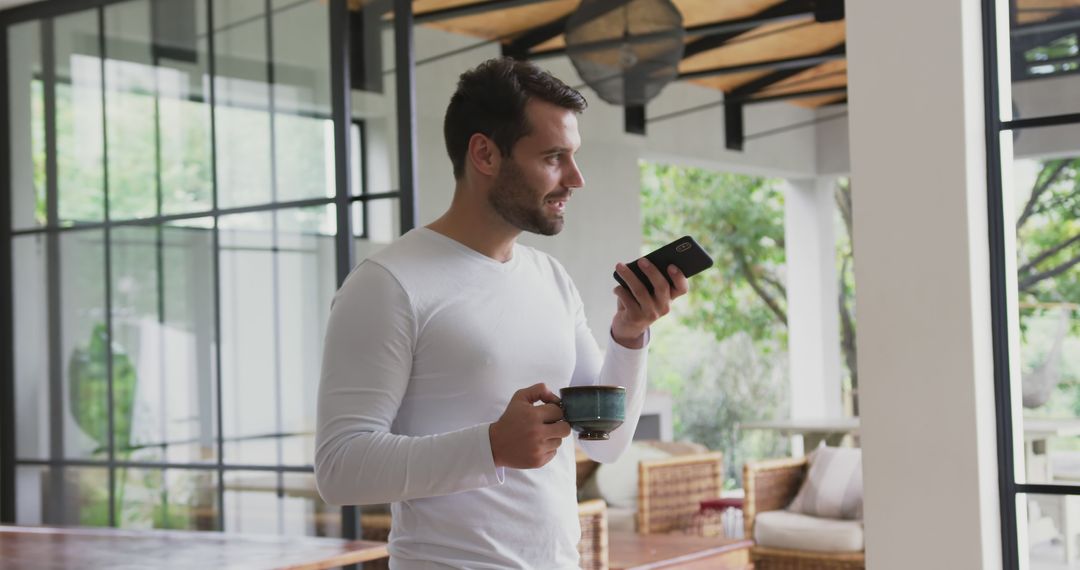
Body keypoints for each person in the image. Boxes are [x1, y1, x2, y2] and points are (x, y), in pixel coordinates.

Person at [314, 57, 689, 569]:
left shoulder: (551, 278)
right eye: (554, 157)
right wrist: (491, 446)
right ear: (485, 154)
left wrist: (629, 334)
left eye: (573, 156)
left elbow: (607, 444)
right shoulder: (387, 284)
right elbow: (339, 468)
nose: (575, 179)